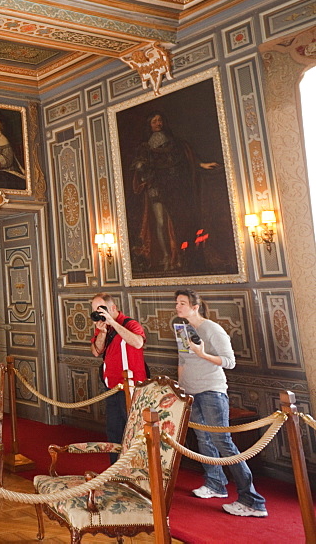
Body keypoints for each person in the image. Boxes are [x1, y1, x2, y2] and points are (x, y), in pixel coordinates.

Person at [175, 289, 267, 517]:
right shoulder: (182, 329)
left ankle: (252, 500)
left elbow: (229, 361)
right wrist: (179, 389)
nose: (178, 307)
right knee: (203, 440)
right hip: (191, 392)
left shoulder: (212, 329)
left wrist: (203, 353)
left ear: (195, 307)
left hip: (211, 391)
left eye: (182, 303)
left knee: (223, 442)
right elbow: (182, 359)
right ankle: (215, 484)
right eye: (177, 303)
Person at [130, 111, 220, 274]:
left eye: (160, 120)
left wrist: (202, 165)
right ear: (149, 125)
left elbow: (187, 158)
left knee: (176, 221)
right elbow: (138, 165)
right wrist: (142, 169)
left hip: (174, 186)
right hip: (156, 186)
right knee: (160, 222)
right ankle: (165, 256)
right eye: (154, 121)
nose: (158, 123)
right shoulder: (145, 147)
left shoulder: (174, 143)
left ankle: (178, 255)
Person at [89, 293, 147, 461]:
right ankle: (115, 472)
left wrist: (113, 322)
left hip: (131, 388)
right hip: (111, 388)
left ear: (113, 308)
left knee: (133, 432)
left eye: (102, 309)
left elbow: (137, 343)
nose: (99, 313)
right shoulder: (103, 327)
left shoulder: (130, 324)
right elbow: (96, 351)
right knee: (114, 431)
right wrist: (102, 332)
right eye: (95, 311)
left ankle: (137, 471)